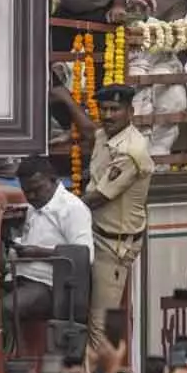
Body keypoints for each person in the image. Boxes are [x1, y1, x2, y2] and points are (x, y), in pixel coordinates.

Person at [50, 84, 154, 351]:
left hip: (113, 245)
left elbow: (98, 198)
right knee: (77, 314)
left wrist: (54, 209)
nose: (108, 115)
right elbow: (90, 131)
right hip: (95, 233)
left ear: (130, 112)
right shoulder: (109, 134)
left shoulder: (130, 151)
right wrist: (67, 100)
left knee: (100, 326)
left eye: (114, 109)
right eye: (104, 109)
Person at [6, 156, 94, 323]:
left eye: (37, 189)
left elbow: (84, 257)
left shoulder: (72, 209)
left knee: (6, 308)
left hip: (49, 285)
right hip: (19, 277)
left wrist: (38, 252)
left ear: (53, 180)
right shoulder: (33, 207)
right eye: (26, 192)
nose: (32, 196)